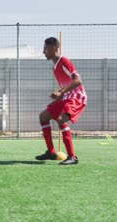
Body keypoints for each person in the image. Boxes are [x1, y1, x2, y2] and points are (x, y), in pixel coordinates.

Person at [35, 37, 87, 165]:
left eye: (45, 49)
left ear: (54, 48)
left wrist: (61, 93)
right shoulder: (55, 67)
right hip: (67, 97)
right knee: (43, 117)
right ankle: (51, 152)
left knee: (61, 119)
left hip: (77, 97)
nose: (43, 52)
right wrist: (59, 94)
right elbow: (67, 84)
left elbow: (77, 81)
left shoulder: (64, 61)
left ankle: (72, 157)